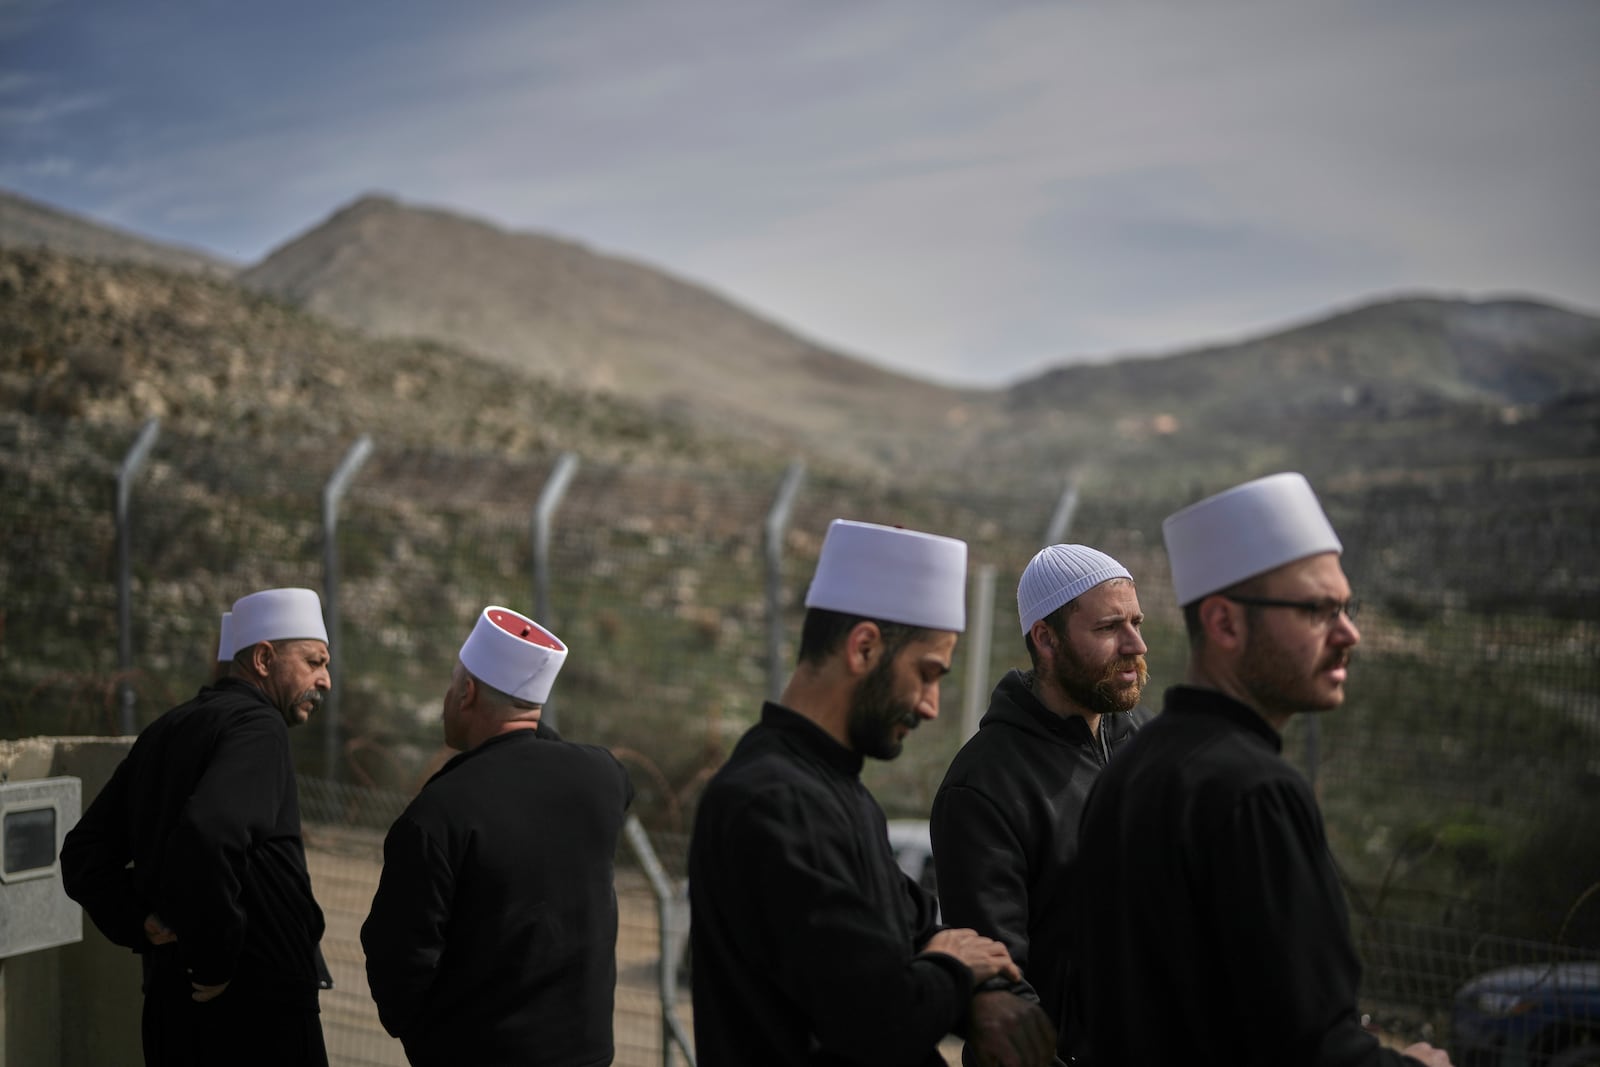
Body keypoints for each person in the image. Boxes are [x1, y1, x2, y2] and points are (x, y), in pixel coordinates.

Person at [1071, 473, 1451, 1066]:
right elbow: (1308, 1049)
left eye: (1346, 608)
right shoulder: (1253, 792)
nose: (1349, 634)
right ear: (1225, 624)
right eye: (1318, 611)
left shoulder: (1131, 769)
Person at [689, 519, 1057, 1067]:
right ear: (863, 648)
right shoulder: (774, 801)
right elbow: (873, 1015)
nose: (930, 705)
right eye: (927, 673)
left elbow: (911, 928)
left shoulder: (833, 789)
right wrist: (952, 970)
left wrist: (967, 979)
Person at [61, 587, 333, 1067]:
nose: (325, 680)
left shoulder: (167, 728)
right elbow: (209, 833)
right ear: (264, 659)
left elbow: (84, 853)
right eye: (314, 661)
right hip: (251, 1016)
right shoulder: (259, 728)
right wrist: (215, 959)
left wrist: (139, 918)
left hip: (172, 1009)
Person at [361, 605, 634, 1067]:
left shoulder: (439, 812)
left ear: (466, 693)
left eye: (452, 684)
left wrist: (429, 1038)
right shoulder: (604, 778)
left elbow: (397, 962)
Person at [931, 544, 1153, 1063]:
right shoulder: (985, 783)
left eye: (1136, 622)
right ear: (1046, 639)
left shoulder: (1146, 747)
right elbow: (1001, 985)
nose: (1135, 644)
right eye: (1108, 628)